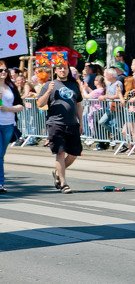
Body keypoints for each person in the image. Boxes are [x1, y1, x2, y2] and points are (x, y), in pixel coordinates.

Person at [36, 63, 83, 194]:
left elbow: (79, 104)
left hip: (72, 123)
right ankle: (63, 183)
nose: (62, 70)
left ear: (68, 70)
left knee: (74, 153)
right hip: (55, 123)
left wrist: (81, 122)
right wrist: (49, 91)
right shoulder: (48, 85)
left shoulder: (74, 85)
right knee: (60, 153)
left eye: (65, 68)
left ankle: (57, 172)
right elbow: (40, 103)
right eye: (60, 68)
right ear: (55, 70)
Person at [0, 61, 24, 193]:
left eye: (5, 70)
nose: (3, 72)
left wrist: (8, 108)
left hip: (8, 124)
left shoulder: (11, 86)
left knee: (1, 154)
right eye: (0, 70)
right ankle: (0, 183)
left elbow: (20, 105)